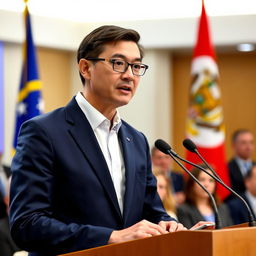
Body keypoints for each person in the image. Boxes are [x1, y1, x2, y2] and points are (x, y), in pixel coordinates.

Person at [9, 25, 203, 256]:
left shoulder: (136, 140)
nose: (130, 75)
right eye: (118, 63)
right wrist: (111, 237)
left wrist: (167, 224)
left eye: (136, 66)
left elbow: (151, 211)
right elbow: (27, 224)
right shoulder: (44, 132)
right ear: (85, 68)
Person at [228, 129, 255, 196]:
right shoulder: (227, 168)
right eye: (244, 143)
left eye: (251, 142)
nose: (248, 147)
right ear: (234, 146)